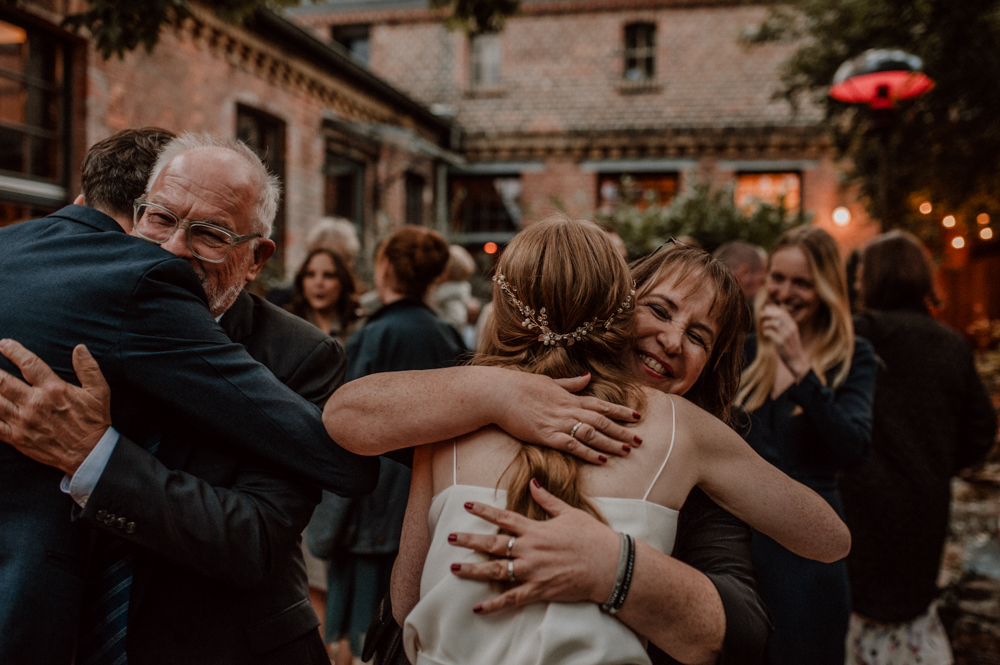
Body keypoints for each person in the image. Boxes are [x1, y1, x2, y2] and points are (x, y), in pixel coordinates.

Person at [390, 217, 850, 665]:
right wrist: (491, 391)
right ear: (615, 305)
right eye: (661, 310)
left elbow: (407, 603)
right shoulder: (464, 408)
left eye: (697, 336)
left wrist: (619, 567)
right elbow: (347, 416)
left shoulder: (687, 432)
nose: (671, 341)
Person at [0, 131, 383, 664]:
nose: (175, 248)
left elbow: (254, 540)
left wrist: (95, 458)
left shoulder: (300, 354)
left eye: (210, 234)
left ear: (255, 257)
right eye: (160, 219)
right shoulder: (82, 311)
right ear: (135, 217)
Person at [841, 231, 997, 665]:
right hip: (923, 505)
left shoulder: (855, 336)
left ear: (877, 278)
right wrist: (938, 461)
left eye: (860, 276)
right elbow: (982, 430)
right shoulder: (950, 344)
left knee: (850, 618)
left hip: (855, 501)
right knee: (908, 616)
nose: (856, 285)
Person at [318, 226, 464, 664]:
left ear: (384, 268)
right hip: (426, 500)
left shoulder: (373, 334)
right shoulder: (446, 335)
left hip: (368, 504)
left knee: (355, 636)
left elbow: (345, 425)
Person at [734, 225, 877, 665]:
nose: (784, 292)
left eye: (802, 282)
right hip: (743, 550)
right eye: (778, 278)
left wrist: (801, 368)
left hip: (808, 555)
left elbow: (852, 448)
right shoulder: (746, 352)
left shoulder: (854, 356)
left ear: (826, 289)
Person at [286, 247, 363, 344]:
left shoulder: (361, 327)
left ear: (343, 282)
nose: (318, 283)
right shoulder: (286, 326)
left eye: (328, 275)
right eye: (310, 274)